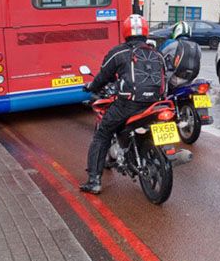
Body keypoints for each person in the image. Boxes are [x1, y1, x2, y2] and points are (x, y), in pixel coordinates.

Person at [80, 14, 166, 194]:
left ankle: (94, 180)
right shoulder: (156, 54)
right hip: (156, 104)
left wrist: (91, 87)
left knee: (102, 133)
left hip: (129, 104)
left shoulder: (118, 52)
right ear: (145, 31)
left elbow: (104, 76)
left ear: (125, 31)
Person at [159, 21, 201, 90]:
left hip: (173, 80)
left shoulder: (171, 43)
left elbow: (158, 55)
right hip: (191, 80)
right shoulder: (197, 46)